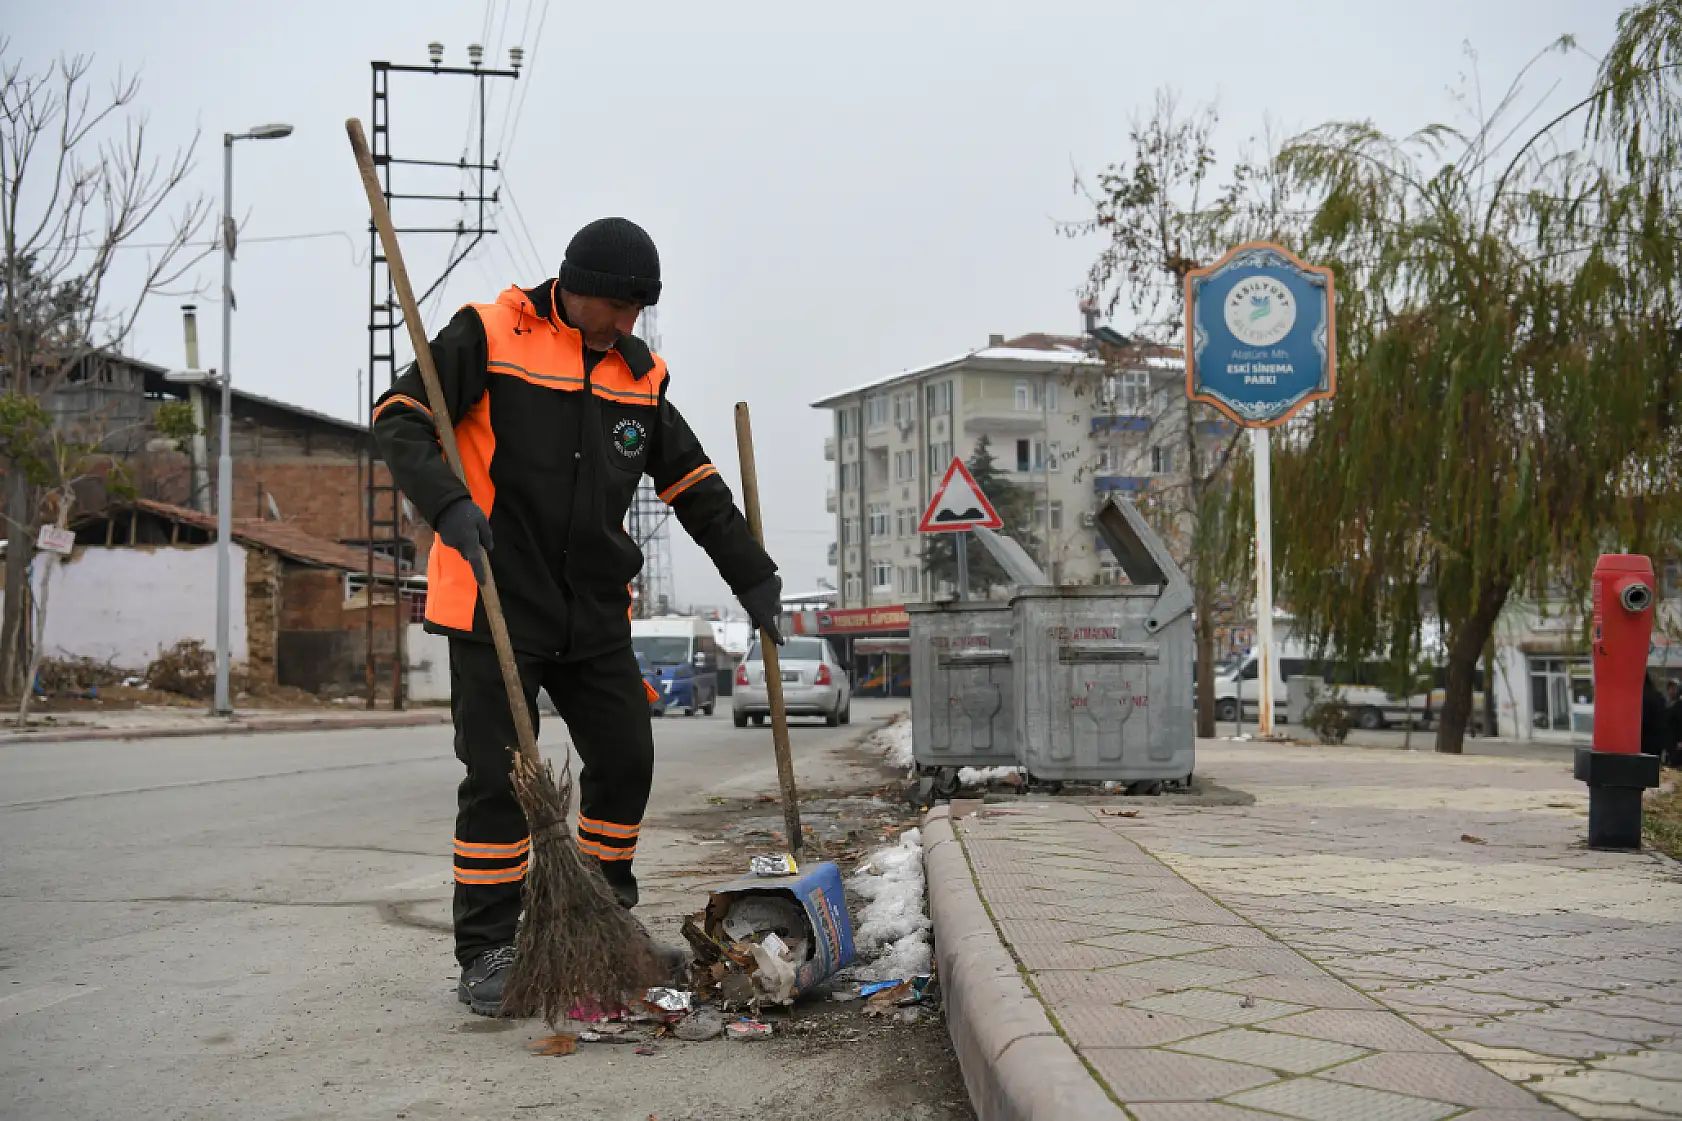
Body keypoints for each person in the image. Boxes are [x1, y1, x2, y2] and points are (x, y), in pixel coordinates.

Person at [372, 218, 784, 1016]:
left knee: (626, 758)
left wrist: (754, 576)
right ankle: (489, 947)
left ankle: (598, 917)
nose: (629, 323)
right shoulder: (489, 335)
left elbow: (694, 485)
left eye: (639, 311)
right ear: (576, 287)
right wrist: (447, 503)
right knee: (502, 777)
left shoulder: (639, 375)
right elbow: (399, 414)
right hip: (495, 594)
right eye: (619, 307)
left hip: (591, 606)